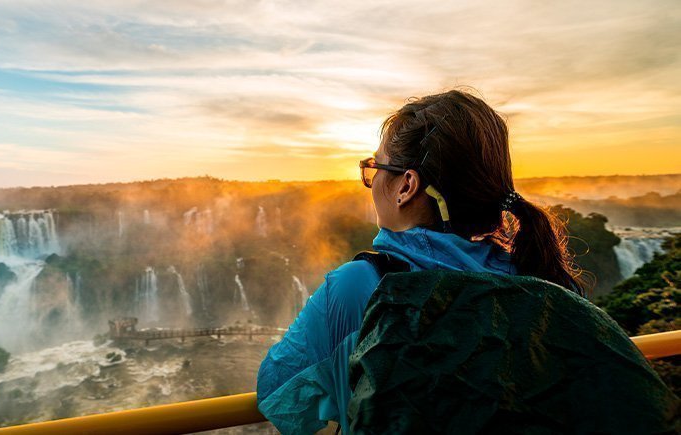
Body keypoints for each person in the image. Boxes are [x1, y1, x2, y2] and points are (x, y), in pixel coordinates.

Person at [255, 89, 594, 433]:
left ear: (406, 186)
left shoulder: (360, 285)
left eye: (374, 168)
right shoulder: (541, 279)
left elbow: (278, 397)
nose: (370, 183)